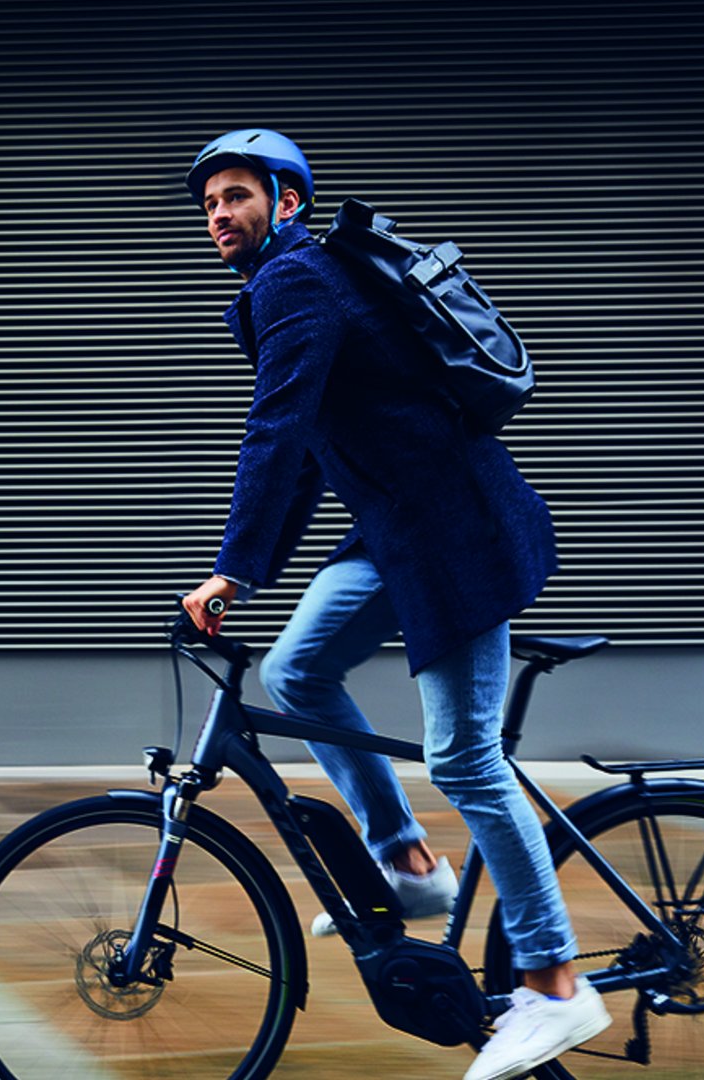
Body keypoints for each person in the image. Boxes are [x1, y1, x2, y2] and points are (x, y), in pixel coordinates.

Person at [177, 129, 612, 1080]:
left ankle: (555, 986)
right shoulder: (288, 282)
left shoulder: (298, 281)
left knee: (466, 760)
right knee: (297, 671)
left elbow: (276, 432)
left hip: (456, 536)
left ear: (286, 202)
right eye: (209, 203)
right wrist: (246, 574)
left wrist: (226, 568)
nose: (219, 215)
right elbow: (304, 453)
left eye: (238, 196)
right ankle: (409, 869)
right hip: (395, 531)